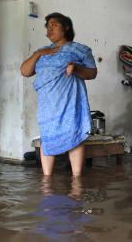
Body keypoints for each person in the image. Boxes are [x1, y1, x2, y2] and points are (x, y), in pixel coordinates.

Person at [20, 12, 97, 176]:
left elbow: (92, 73)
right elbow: (25, 71)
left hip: (69, 100)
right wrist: (38, 54)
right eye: (47, 27)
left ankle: (77, 182)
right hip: (47, 104)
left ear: (66, 27)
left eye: (53, 25)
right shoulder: (42, 51)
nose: (49, 30)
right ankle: (46, 181)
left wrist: (76, 69)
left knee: (73, 134)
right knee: (47, 137)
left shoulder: (81, 49)